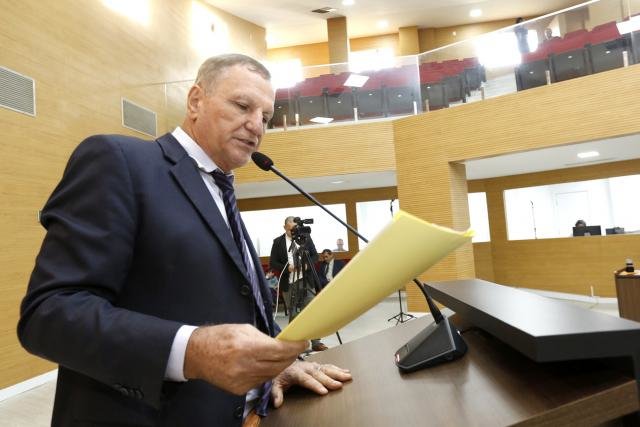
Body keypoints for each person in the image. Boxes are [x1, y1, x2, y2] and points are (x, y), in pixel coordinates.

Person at [17, 54, 350, 426]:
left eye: (266, 117)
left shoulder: (222, 192)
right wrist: (190, 350)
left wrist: (275, 366)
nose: (256, 125)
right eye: (242, 106)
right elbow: (48, 314)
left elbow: (238, 302)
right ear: (195, 101)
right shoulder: (119, 161)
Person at [269, 216, 328, 352]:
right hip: (289, 283)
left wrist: (307, 265)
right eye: (290, 230)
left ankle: (316, 342)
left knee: (312, 311)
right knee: (294, 314)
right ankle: (296, 344)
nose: (293, 232)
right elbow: (273, 262)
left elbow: (315, 256)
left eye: (295, 229)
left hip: (306, 280)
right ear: (285, 227)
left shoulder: (305, 238)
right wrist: (287, 268)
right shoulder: (277, 242)